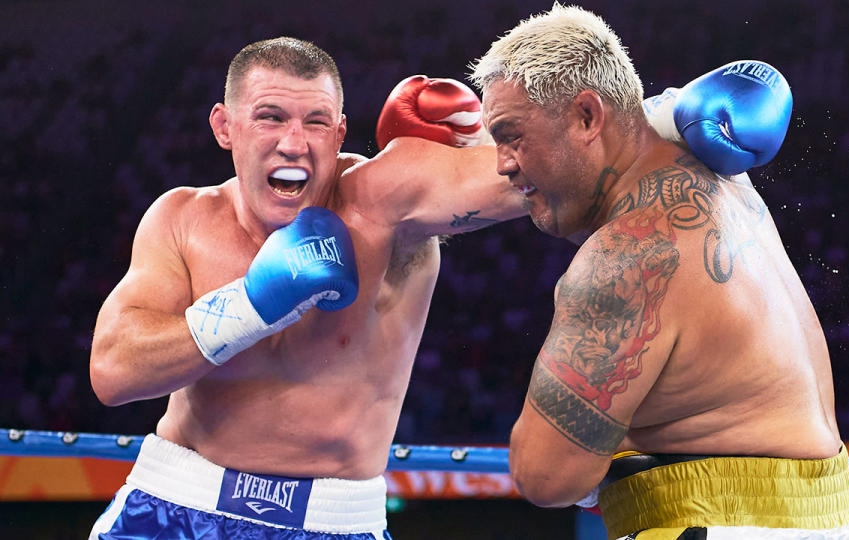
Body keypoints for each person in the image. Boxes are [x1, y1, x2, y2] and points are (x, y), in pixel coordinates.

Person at [87, 36, 788, 539]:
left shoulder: (383, 201)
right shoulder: (181, 219)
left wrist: (669, 114)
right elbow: (114, 371)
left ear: (340, 134)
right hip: (172, 501)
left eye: (314, 124)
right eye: (270, 117)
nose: (293, 143)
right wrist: (252, 304)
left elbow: (536, 164)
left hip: (334, 518)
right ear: (225, 127)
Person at [470, 5, 849, 540]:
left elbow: (545, 475)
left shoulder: (628, 253)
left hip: (721, 524)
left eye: (511, 136)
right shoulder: (724, 179)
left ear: (586, 117)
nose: (503, 163)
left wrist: (607, 458)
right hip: (847, 518)